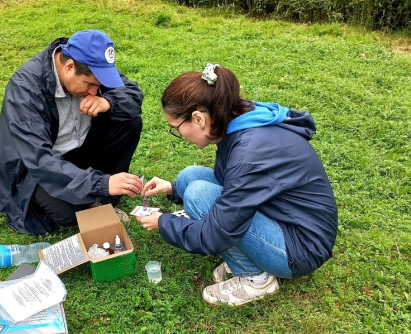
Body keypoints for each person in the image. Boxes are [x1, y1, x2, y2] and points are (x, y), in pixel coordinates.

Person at [137, 64, 338, 306]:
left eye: (177, 129)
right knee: (189, 177)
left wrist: (164, 223)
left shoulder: (248, 154)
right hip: (284, 215)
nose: (179, 136)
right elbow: (233, 183)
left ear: (198, 118)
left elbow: (214, 235)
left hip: (301, 247)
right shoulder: (237, 117)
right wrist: (173, 188)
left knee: (200, 195)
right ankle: (253, 256)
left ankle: (255, 279)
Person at [0, 29, 144, 235]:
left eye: (98, 86)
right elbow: (39, 159)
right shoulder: (26, 90)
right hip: (38, 170)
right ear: (69, 66)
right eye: (90, 85)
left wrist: (108, 101)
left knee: (129, 122)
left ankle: (105, 199)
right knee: (69, 212)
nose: (93, 91)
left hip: (80, 149)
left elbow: (132, 95)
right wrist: (102, 183)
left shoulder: (89, 66)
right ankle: (97, 193)